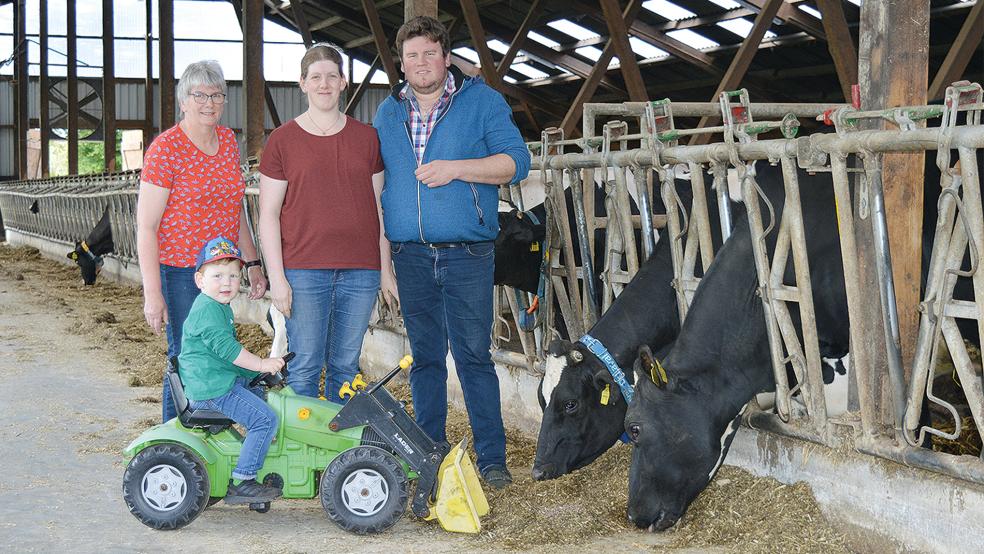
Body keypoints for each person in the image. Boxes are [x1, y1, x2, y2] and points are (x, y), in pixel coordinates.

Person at [373, 16, 531, 489]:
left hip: (468, 253)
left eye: (429, 53)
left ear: (446, 57)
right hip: (411, 255)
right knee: (423, 358)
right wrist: (384, 262)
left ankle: (492, 461)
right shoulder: (387, 113)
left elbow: (516, 163)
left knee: (473, 356)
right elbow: (375, 185)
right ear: (402, 65)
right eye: (411, 56)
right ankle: (429, 452)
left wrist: (457, 169)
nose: (421, 63)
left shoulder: (482, 102)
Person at [258, 43, 397, 402]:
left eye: (331, 76)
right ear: (302, 83)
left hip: (360, 269)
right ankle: (303, 454)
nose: (324, 84)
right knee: (304, 364)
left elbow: (379, 208)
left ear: (343, 82)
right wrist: (278, 278)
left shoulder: (366, 138)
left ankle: (338, 452)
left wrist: (385, 270)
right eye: (315, 77)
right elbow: (268, 215)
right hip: (303, 269)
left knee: (346, 367)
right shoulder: (282, 140)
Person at [137, 60, 267, 422]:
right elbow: (146, 226)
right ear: (183, 101)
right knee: (185, 354)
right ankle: (173, 439)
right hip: (182, 271)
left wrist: (252, 263)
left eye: (216, 95)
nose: (209, 102)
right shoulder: (166, 150)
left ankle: (201, 433)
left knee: (214, 353)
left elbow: (235, 208)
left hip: (223, 271)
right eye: (199, 95)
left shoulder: (227, 142)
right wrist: (152, 292)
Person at [179, 237, 285, 503]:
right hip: (212, 389)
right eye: (217, 275)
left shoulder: (217, 307)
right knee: (265, 419)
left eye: (233, 276)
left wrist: (256, 375)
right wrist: (261, 364)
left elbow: (223, 358)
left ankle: (255, 452)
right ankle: (244, 480)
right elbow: (228, 351)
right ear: (199, 280)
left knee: (261, 396)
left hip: (215, 379)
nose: (226, 282)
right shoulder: (208, 311)